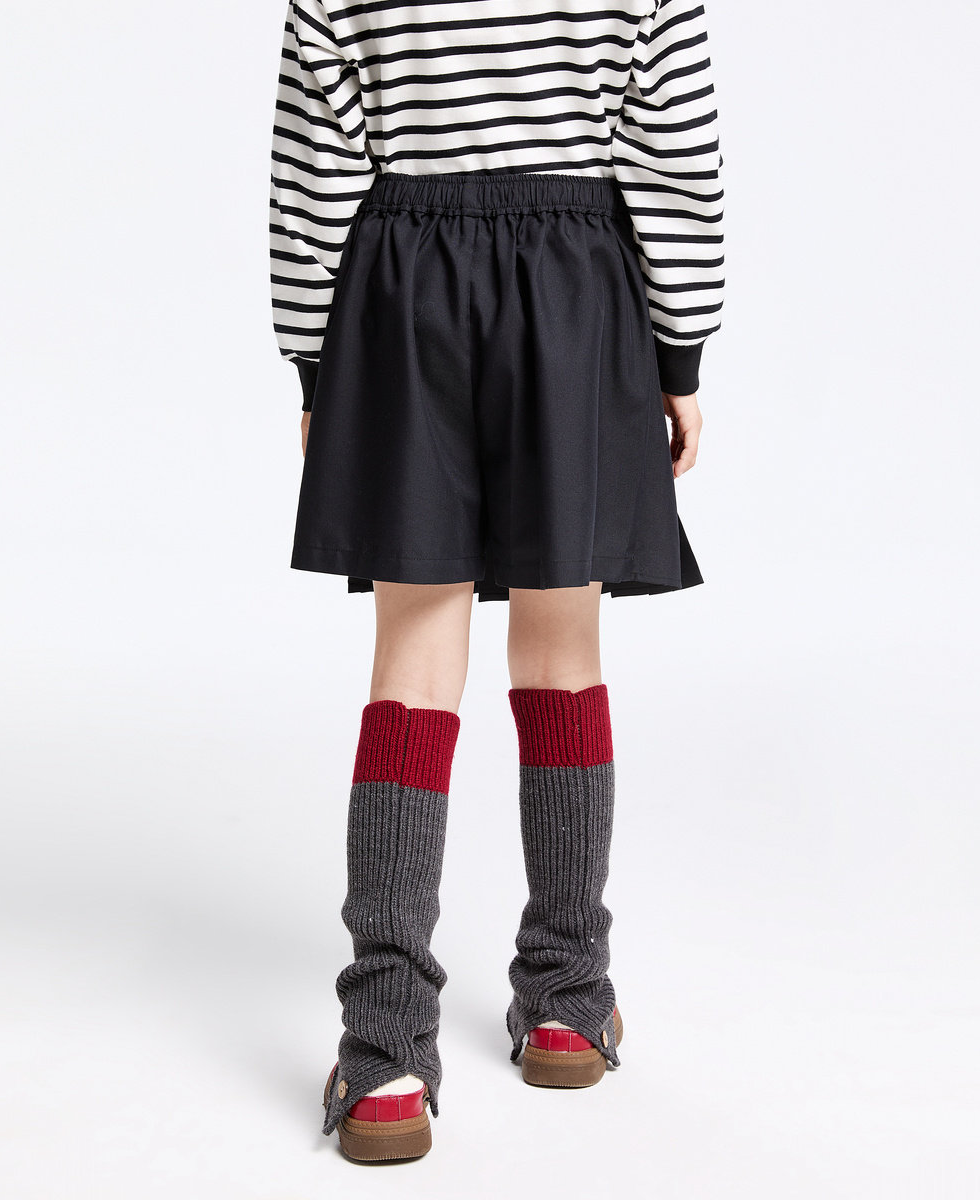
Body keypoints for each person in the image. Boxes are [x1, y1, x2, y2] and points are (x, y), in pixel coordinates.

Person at [268, 0, 725, 1163]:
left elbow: (314, 162)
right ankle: (568, 998)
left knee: (413, 658)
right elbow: (673, 150)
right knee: (562, 642)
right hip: (576, 287)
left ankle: (384, 1057)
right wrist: (678, 350)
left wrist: (317, 358)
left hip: (404, 286)